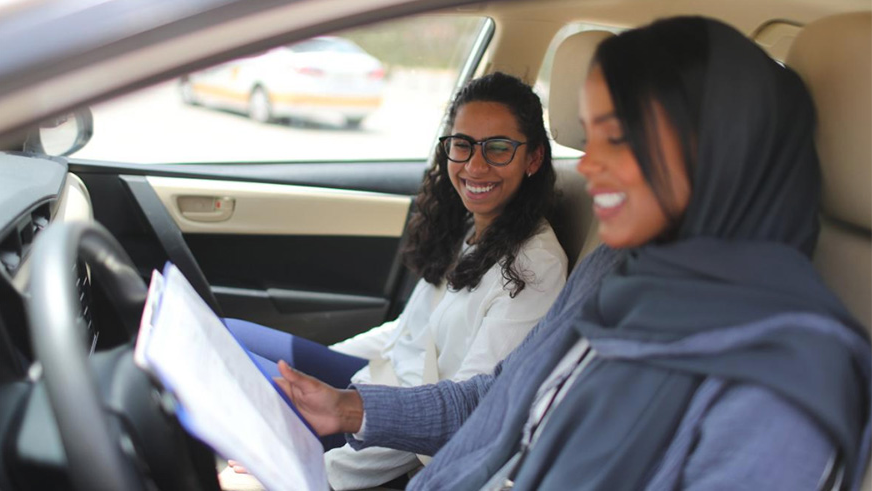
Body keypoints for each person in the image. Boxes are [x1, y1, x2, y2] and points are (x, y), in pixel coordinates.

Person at [274, 16, 872, 490]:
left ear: (721, 151)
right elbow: (499, 398)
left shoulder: (786, 383)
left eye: (621, 137)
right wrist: (348, 409)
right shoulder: (625, 271)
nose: (587, 164)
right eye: (591, 135)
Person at [226, 72, 569, 488]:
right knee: (223, 339)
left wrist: (316, 472)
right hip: (372, 383)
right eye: (462, 145)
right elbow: (405, 335)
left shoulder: (534, 267)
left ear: (533, 158)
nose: (475, 165)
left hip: (389, 429)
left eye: (498, 148)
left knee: (223, 376)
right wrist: (321, 370)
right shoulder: (472, 225)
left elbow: (458, 412)